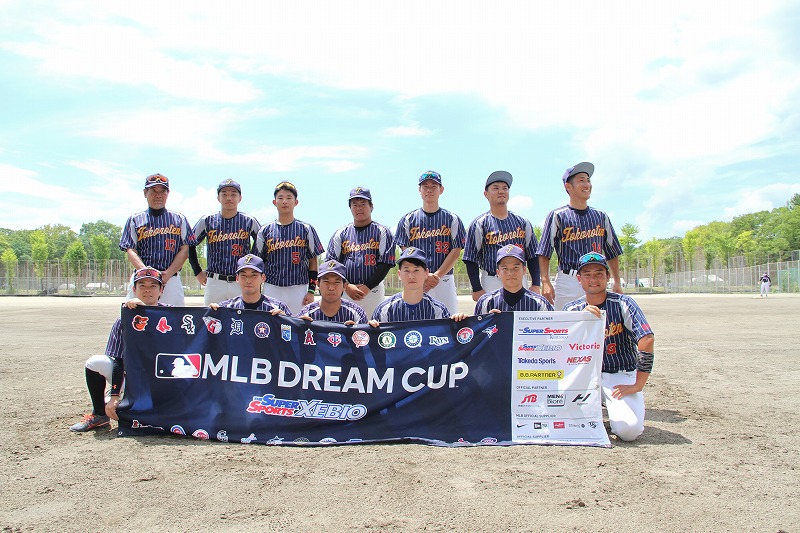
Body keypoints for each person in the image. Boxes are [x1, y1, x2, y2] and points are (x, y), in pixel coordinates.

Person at [563, 252, 655, 442]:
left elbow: (647, 339)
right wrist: (579, 319)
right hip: (583, 377)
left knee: (628, 431)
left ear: (608, 276)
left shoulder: (623, 303)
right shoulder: (572, 309)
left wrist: (638, 385)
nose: (593, 279)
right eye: (587, 274)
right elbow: (560, 348)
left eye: (599, 273)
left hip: (618, 375)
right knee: (561, 421)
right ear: (579, 279)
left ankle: (612, 411)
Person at [70, 267, 169, 432]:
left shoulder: (173, 314)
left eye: (153, 285)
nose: (147, 290)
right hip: (134, 379)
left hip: (165, 380)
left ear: (161, 290)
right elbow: (117, 359)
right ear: (134, 290)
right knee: (95, 362)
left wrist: (213, 310)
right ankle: (100, 415)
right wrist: (114, 395)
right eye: (142, 285)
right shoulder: (124, 318)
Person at [538, 162, 624, 312]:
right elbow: (544, 252)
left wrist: (617, 281)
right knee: (565, 322)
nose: (586, 184)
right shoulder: (558, 215)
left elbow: (612, 251)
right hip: (568, 280)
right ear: (568, 186)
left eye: (588, 180)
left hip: (595, 278)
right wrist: (545, 281)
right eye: (581, 180)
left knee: (598, 321)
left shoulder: (601, 216)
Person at [394, 170, 466, 315]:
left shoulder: (452, 219)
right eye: (425, 186)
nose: (429, 190)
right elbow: (406, 251)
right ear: (419, 190)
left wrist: (437, 276)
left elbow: (456, 251)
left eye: (434, 186)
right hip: (416, 279)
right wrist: (423, 276)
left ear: (441, 190)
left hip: (444, 279)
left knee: (449, 320)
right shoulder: (407, 219)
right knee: (416, 319)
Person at [463, 171, 540, 303]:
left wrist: (536, 284)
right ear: (486, 194)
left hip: (519, 278)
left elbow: (532, 255)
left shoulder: (522, 222)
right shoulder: (479, 223)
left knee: (522, 313)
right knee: (493, 315)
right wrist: (476, 288)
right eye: (495, 188)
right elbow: (470, 258)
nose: (501, 191)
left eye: (505, 188)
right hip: (492, 279)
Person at [119, 173, 195, 306]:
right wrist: (148, 274)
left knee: (174, 317)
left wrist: (168, 273)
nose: (158, 195)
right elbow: (130, 250)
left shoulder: (179, 219)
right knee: (135, 316)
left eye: (162, 191)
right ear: (145, 193)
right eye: (153, 190)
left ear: (168, 193)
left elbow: (185, 249)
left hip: (171, 279)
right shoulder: (135, 219)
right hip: (142, 281)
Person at [255, 181, 325, 315]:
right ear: (274, 202)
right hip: (272, 286)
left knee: (298, 322)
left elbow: (313, 261)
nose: (284, 201)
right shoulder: (264, 230)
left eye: (289, 197)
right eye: (280, 198)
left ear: (296, 202)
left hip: (298, 287)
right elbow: (257, 262)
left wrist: (311, 290)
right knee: (271, 322)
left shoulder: (306, 229)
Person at [189, 179, 261, 306]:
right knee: (211, 317)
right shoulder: (207, 220)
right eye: (224, 194)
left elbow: (262, 244)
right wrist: (197, 271)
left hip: (240, 280)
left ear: (240, 198)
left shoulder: (249, 221)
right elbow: (189, 244)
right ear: (218, 198)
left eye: (233, 194)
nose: (229, 198)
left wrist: (254, 269)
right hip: (215, 281)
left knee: (243, 316)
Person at [326, 187, 395, 318]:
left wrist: (367, 287)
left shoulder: (382, 231)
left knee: (373, 326)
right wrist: (346, 285)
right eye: (355, 205)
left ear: (371, 206)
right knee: (346, 326)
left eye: (363, 204)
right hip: (346, 291)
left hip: (373, 291)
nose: (359, 208)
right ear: (350, 208)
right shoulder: (340, 234)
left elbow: (386, 263)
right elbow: (331, 264)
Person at [369, 247, 467, 325]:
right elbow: (374, 340)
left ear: (426, 273)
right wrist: (371, 329)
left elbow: (448, 339)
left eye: (416, 270)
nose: (411, 276)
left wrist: (460, 323)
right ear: (399, 274)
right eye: (406, 270)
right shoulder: (384, 309)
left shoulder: (438, 310)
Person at [475, 244, 554, 314]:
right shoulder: (486, 302)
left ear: (524, 270)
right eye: (505, 268)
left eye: (515, 267)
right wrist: (489, 320)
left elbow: (553, 325)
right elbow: (475, 326)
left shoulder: (540, 303)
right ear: (498, 273)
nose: (510, 273)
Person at [210, 254, 291, 314]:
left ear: (263, 278)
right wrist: (210, 314)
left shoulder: (278, 308)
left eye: (254, 275)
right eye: (243, 275)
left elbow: (294, 330)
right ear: (237, 278)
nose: (248, 280)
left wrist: (284, 320)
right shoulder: (226, 308)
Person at [296, 259, 368, 325]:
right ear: (318, 285)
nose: (331, 288)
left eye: (336, 282)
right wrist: (299, 327)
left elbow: (367, 334)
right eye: (326, 282)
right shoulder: (306, 313)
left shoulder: (357, 313)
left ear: (344, 286)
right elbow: (292, 332)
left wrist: (356, 330)